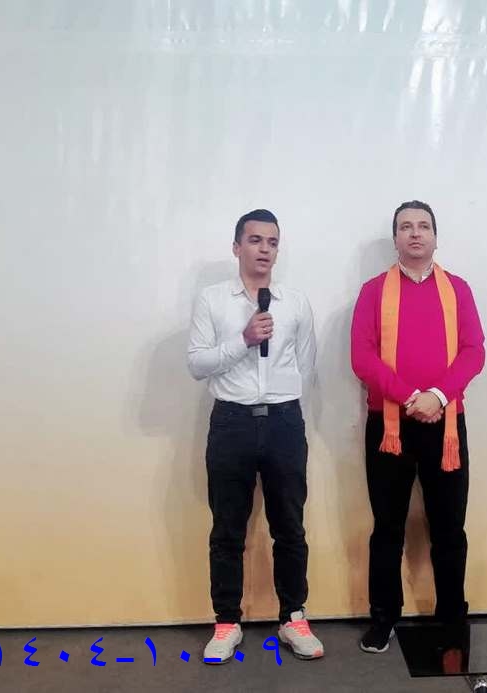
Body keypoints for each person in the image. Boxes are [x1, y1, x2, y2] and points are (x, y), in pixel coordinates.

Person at [187, 209, 322, 662]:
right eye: (255, 240)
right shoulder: (212, 300)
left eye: (272, 242)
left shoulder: (294, 302)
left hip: (284, 421)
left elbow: (306, 365)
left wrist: (282, 402)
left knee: (290, 526)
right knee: (228, 528)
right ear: (237, 246)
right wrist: (243, 340)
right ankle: (227, 621)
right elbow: (197, 364)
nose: (265, 249)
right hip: (232, 422)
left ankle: (293, 617)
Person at [350, 200, 486, 653]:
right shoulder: (373, 291)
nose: (415, 233)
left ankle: (452, 615)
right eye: (405, 226)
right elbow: (362, 357)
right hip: (389, 427)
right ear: (395, 238)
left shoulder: (458, 289)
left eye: (423, 226)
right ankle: (383, 617)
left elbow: (474, 351)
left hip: (446, 427)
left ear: (434, 236)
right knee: (387, 527)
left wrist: (438, 396)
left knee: (449, 526)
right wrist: (412, 398)